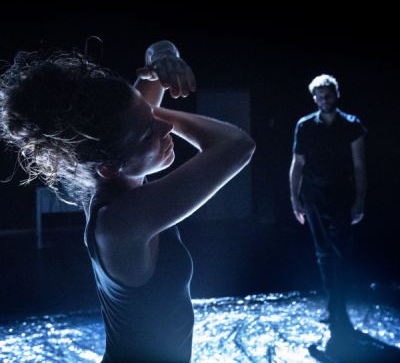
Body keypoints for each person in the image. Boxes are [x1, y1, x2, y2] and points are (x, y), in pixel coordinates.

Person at [0, 40, 256, 362]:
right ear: (110, 167)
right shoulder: (122, 221)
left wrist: (163, 57)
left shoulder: (115, 181)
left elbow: (156, 54)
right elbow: (236, 144)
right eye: (148, 132)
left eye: (152, 116)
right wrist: (151, 110)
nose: (166, 127)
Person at [289, 74, 367, 337]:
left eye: (328, 94)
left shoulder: (352, 125)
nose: (324, 99)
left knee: (341, 251)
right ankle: (332, 305)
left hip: (342, 194)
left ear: (337, 94)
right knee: (323, 252)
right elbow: (297, 164)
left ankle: (338, 306)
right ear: (314, 98)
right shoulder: (305, 126)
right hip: (314, 195)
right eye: (319, 95)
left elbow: (359, 166)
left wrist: (359, 200)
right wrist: (294, 199)